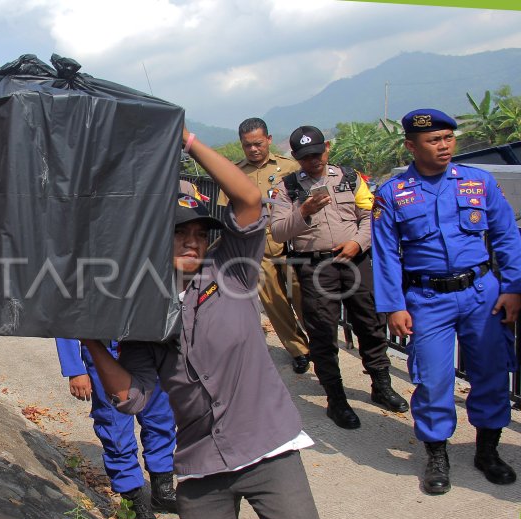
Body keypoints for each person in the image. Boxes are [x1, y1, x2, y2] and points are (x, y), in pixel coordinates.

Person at [83, 128, 333, 519]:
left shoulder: (230, 271)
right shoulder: (143, 313)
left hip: (268, 447)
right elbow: (131, 398)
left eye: (200, 232)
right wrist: (90, 340)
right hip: (201, 465)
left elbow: (249, 201)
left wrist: (189, 141)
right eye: (179, 232)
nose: (192, 240)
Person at [371, 109, 521, 494]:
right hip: (426, 298)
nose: (444, 146)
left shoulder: (479, 182)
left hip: (481, 293)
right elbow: (386, 255)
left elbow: (506, 237)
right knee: (433, 379)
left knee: (489, 372)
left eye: (448, 139)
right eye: (433, 141)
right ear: (410, 145)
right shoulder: (392, 194)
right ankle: (437, 453)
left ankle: (487, 451)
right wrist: (393, 306)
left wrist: (513, 288)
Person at [270, 125, 408, 430]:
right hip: (315, 266)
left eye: (317, 154)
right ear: (296, 157)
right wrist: (302, 212)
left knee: (370, 323)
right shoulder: (286, 188)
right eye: (305, 157)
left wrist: (358, 242)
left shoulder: (349, 177)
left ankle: (381, 385)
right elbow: (279, 231)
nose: (313, 161)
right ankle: (336, 398)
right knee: (322, 331)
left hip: (355, 260)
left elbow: (370, 217)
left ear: (327, 148)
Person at [55, 339, 177, 519]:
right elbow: (66, 309)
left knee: (161, 417)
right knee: (115, 430)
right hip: (104, 349)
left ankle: (163, 490)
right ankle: (136, 508)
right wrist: (74, 368)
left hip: (148, 342)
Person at [219, 118, 310, 373]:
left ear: (268, 140)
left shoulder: (290, 167)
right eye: (247, 145)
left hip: (290, 242)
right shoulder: (233, 173)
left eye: (258, 143)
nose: (253, 150)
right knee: (275, 303)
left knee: (303, 295)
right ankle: (298, 350)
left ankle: (320, 344)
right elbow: (227, 212)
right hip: (257, 246)